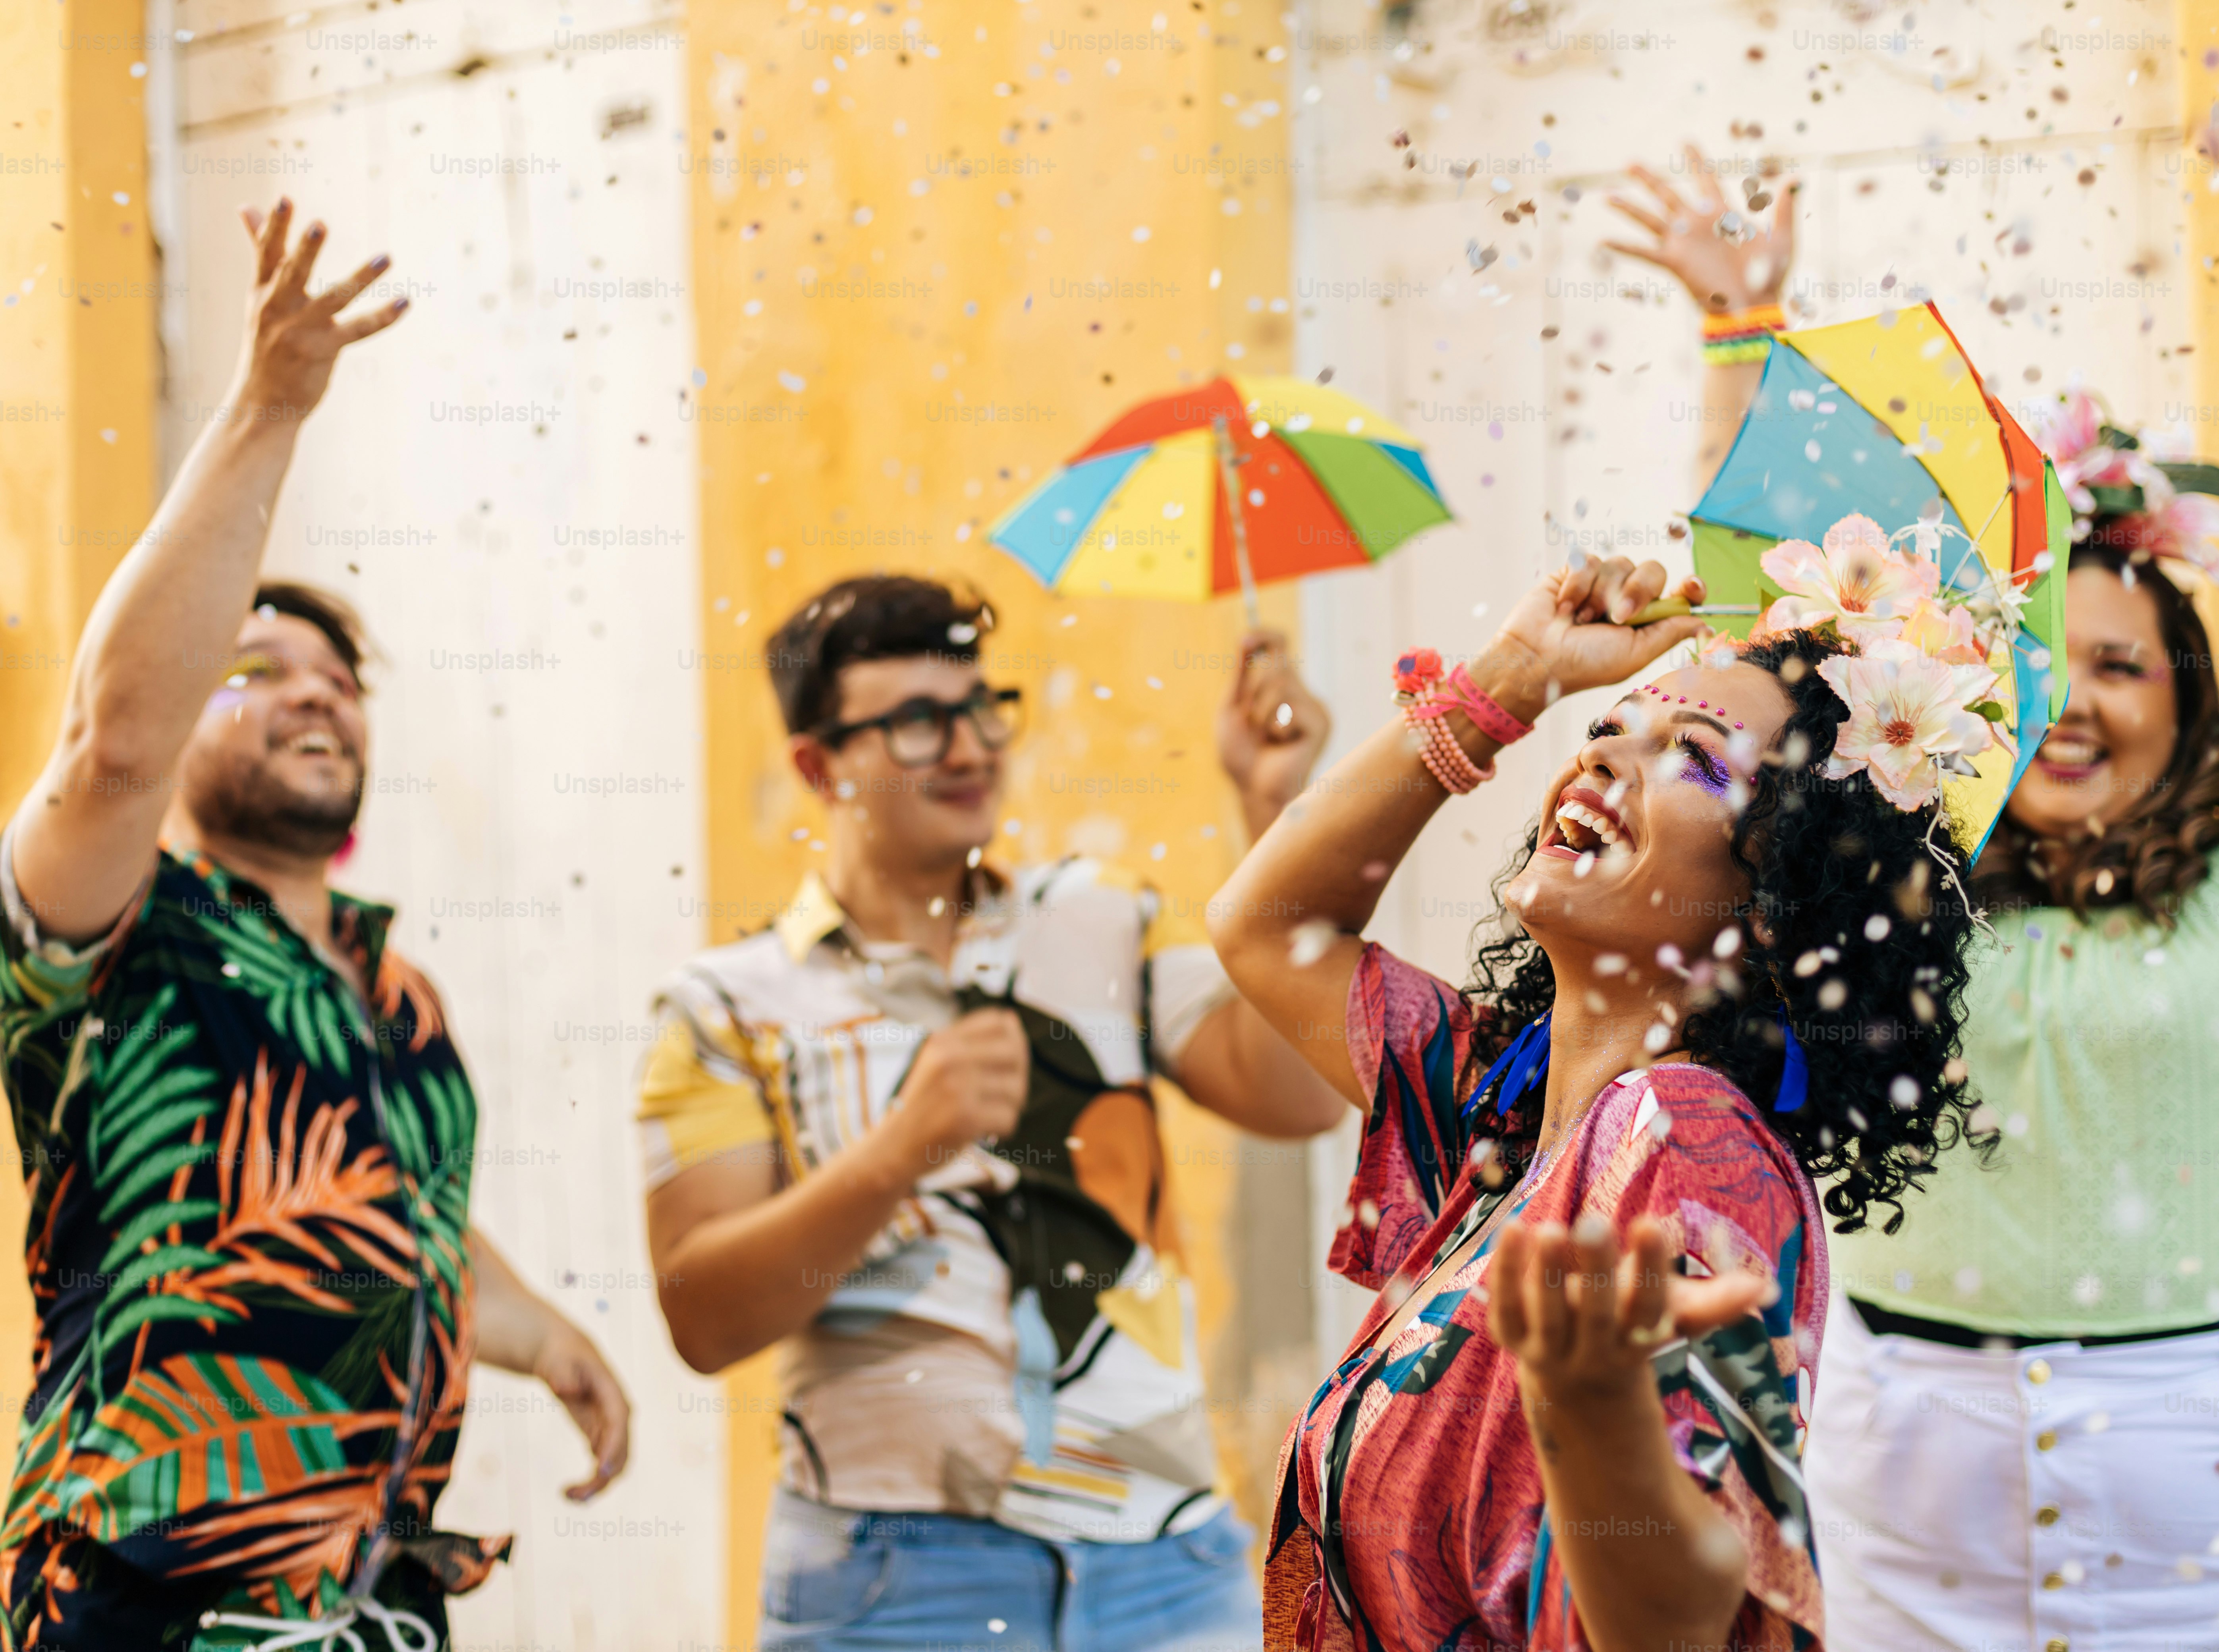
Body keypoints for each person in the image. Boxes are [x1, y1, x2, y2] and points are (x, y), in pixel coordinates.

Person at [1616, 125, 2219, 1649]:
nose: (2072, 703)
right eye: (2039, 664)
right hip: (1902, 1507)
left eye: (2123, 665)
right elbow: (1765, 663)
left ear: (2194, 700)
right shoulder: (1883, 882)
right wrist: (1740, 341)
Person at [0, 203, 631, 1650]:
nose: (315, 692)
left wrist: (541, 1333)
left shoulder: (393, 989)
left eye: (340, 676)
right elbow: (110, 741)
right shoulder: (112, 928)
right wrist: (269, 407)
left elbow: (371, 1204)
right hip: (150, 1603)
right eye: (256, 666)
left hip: (374, 1603)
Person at [1208, 547, 1996, 1650]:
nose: (1608, 760)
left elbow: (1696, 1629)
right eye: (1605, 730)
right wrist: (1516, 676)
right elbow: (1267, 924)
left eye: (1699, 761)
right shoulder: (1500, 1125)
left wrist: (1594, 1417)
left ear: (1777, 903)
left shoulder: (1683, 1137)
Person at [637, 579, 1348, 1651]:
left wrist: (1276, 812)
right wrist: (897, 1152)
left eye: (981, 706)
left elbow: (1297, 1096)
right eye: (919, 720)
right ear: (818, 766)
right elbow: (703, 1316)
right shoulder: (724, 1004)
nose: (969, 746)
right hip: (893, 1580)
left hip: (1167, 1555)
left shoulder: (1101, 919)